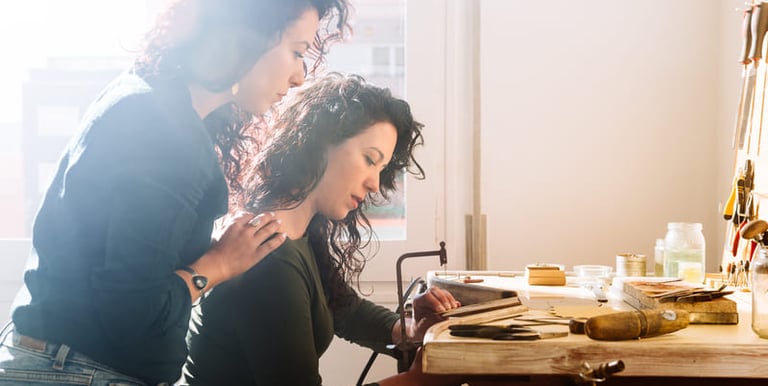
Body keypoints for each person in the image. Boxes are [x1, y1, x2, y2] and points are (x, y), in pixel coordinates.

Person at [0, 0, 350, 385]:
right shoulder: (165, 133)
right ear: (247, 37)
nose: (300, 76)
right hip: (75, 372)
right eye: (297, 52)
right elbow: (131, 314)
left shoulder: (150, 103)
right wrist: (216, 265)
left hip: (62, 364)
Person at [183, 73, 465, 386]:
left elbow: (347, 312)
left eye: (381, 169)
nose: (374, 183)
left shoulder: (297, 232)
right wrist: (422, 380)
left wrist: (411, 325)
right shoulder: (271, 257)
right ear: (317, 145)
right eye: (370, 159)